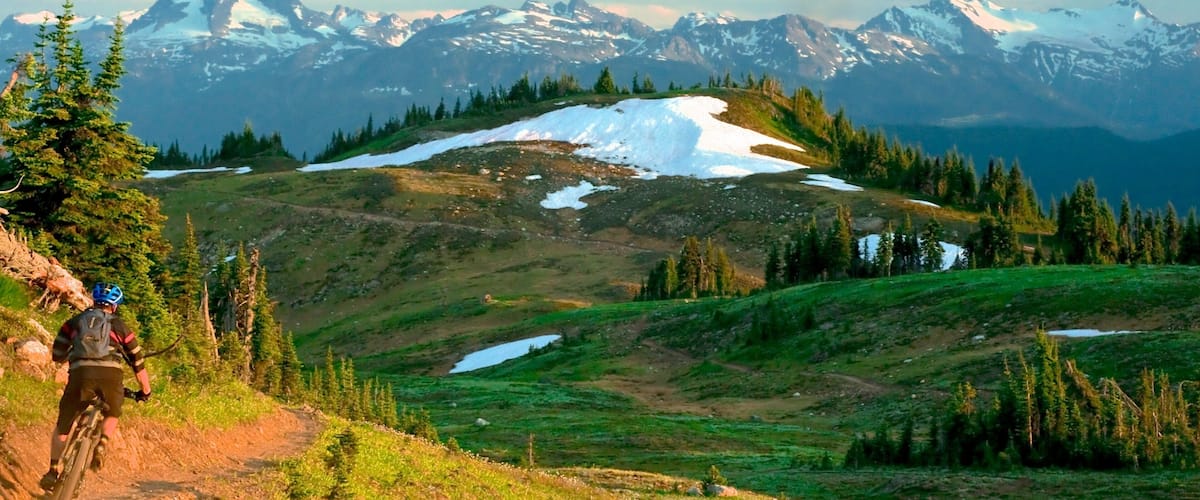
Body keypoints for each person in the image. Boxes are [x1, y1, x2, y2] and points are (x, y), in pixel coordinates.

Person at [39, 282, 152, 491]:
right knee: (112, 411)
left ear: (94, 301)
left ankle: (53, 469)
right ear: (114, 306)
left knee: (64, 424)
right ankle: (102, 442)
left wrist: (72, 360)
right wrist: (145, 391)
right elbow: (137, 361)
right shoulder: (120, 326)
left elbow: (57, 354)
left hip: (81, 375)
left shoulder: (73, 322)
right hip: (110, 376)